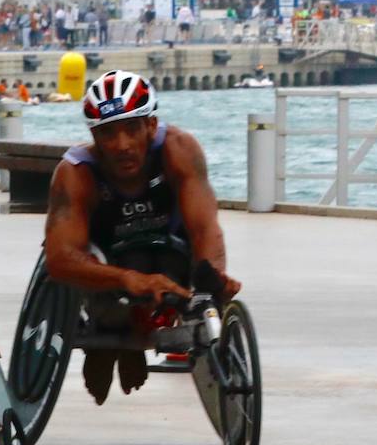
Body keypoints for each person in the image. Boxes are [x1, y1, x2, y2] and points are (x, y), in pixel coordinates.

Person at [43, 69, 241, 404]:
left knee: (198, 272)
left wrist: (212, 278)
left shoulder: (179, 149)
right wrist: (130, 279)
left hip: (172, 256)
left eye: (132, 128)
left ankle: (134, 332)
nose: (122, 145)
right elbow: (60, 260)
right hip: (111, 270)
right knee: (116, 299)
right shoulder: (75, 173)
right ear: (93, 135)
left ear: (151, 125)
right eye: (107, 133)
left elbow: (205, 226)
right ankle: (114, 338)